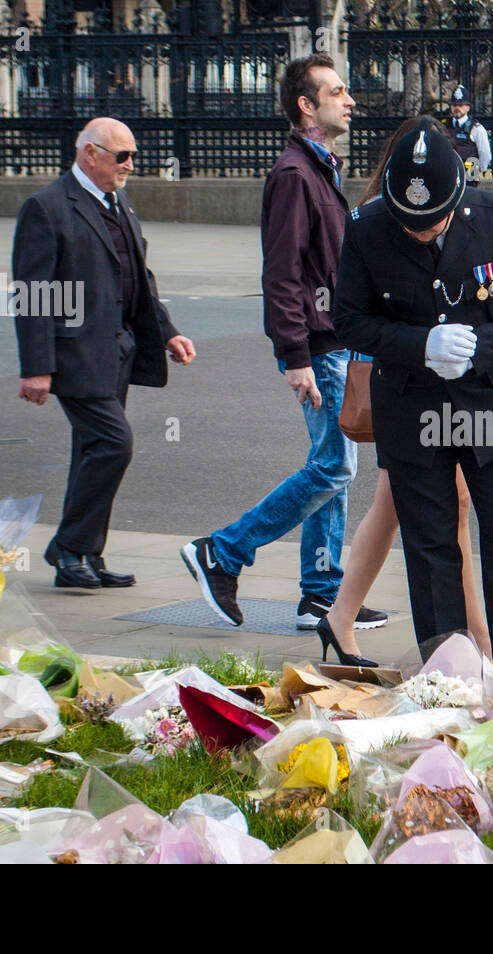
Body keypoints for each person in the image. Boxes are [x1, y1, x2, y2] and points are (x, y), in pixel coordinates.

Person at [181, 53, 386, 637]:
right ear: (307, 104)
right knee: (331, 467)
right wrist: (294, 354)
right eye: (338, 92)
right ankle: (223, 552)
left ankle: (320, 597)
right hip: (317, 345)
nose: (350, 101)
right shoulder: (296, 175)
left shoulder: (320, 168)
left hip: (334, 340)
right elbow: (282, 273)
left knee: (336, 466)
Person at [333, 126, 493, 659]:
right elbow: (348, 319)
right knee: (430, 547)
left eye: (433, 223)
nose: (422, 234)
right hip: (411, 404)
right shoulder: (367, 228)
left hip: (490, 401)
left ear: (456, 197)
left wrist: (479, 346)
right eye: (412, 226)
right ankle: (447, 675)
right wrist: (419, 344)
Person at [317, 116, 493, 664]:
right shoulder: (378, 221)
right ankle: (477, 642)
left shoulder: (385, 206)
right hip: (407, 384)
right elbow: (358, 312)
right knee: (449, 507)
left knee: (408, 504)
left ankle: (340, 618)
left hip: (415, 380)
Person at [13, 117, 196, 590]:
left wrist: (166, 331)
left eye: (132, 156)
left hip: (117, 350)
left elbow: (139, 275)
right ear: (89, 154)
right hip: (74, 356)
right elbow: (32, 294)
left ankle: (85, 556)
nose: (130, 165)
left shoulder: (119, 201)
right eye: (121, 157)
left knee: (92, 450)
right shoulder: (47, 207)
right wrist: (36, 369)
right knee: (115, 444)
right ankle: (67, 548)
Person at [443, 85, 492, 186]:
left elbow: (485, 153)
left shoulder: (476, 128)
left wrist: (478, 171)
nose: (457, 108)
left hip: (470, 174)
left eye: (461, 105)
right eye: (454, 105)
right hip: (449, 173)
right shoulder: (444, 126)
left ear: (468, 107)